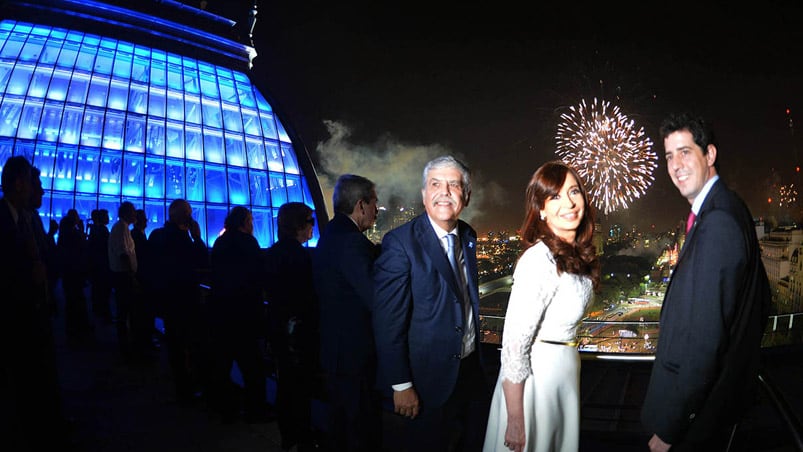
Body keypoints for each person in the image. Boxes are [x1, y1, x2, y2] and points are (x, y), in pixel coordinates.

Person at [640, 112, 771, 452]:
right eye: (669, 155)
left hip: (697, 420)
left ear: (709, 155)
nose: (675, 164)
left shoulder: (718, 223)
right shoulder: (728, 208)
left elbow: (705, 342)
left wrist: (670, 429)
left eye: (685, 152)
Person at [373, 155, 491, 452]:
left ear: (467, 194)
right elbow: (388, 321)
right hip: (425, 381)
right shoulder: (400, 243)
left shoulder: (468, 235)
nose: (444, 192)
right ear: (424, 193)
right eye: (435, 184)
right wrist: (400, 384)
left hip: (469, 371)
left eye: (454, 185)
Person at [483, 161, 600, 452]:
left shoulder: (575, 256)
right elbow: (513, 345)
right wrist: (516, 418)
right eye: (556, 196)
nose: (569, 202)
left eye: (574, 192)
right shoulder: (539, 260)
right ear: (542, 210)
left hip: (563, 373)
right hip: (536, 381)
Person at [0, 156, 69, 449]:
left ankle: (45, 424)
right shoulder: (4, 220)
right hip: (15, 318)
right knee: (22, 379)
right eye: (33, 183)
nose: (37, 190)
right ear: (19, 183)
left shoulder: (28, 219)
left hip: (34, 313)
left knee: (37, 373)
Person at [313, 174, 382, 451]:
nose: (377, 209)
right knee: (359, 429)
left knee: (341, 425)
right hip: (354, 355)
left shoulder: (331, 234)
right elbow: (376, 299)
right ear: (361, 205)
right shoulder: (352, 242)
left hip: (335, 350)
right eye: (375, 203)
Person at [264, 201, 319, 451]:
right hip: (297, 335)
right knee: (300, 390)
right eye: (310, 221)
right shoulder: (299, 256)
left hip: (279, 331)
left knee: (286, 386)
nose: (313, 227)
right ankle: (304, 437)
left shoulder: (273, 252)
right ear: (298, 225)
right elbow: (306, 300)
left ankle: (289, 436)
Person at [207, 206, 271, 424]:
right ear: (244, 222)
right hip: (245, 314)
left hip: (221, 312)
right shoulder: (248, 243)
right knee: (253, 366)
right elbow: (259, 277)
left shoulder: (220, 242)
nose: (253, 224)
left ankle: (225, 407)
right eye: (251, 220)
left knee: (222, 363)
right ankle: (256, 410)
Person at [148, 199, 210, 405]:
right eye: (188, 213)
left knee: (175, 344)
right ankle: (189, 387)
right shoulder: (180, 238)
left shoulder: (159, 236)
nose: (190, 217)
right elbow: (201, 260)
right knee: (189, 342)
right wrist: (197, 238)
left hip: (168, 299)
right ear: (178, 216)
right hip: (184, 299)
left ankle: (182, 387)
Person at [108, 201, 141, 361]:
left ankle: (126, 346)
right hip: (124, 277)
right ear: (127, 213)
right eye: (134, 212)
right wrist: (131, 274)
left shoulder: (121, 227)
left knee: (124, 311)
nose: (136, 215)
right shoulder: (122, 228)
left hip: (122, 276)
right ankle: (126, 348)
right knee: (126, 311)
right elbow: (123, 253)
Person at [58, 208, 92, 340]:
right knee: (77, 300)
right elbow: (83, 247)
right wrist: (82, 231)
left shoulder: (64, 234)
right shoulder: (74, 234)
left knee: (72, 301)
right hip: (76, 272)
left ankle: (73, 329)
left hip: (69, 272)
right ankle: (78, 329)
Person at [88, 207, 112, 322]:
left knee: (97, 290)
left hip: (96, 265)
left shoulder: (94, 230)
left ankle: (97, 312)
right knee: (104, 291)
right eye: (107, 216)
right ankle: (104, 314)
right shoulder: (103, 230)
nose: (108, 218)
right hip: (103, 265)